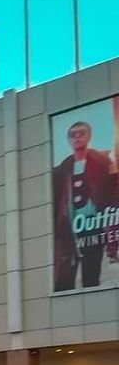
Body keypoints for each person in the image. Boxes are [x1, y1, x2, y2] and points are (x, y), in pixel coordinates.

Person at [53, 120, 117, 291]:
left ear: (88, 136)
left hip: (95, 227)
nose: (77, 138)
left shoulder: (102, 161)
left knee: (92, 276)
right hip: (70, 230)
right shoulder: (62, 169)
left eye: (81, 133)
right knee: (65, 278)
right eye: (73, 135)